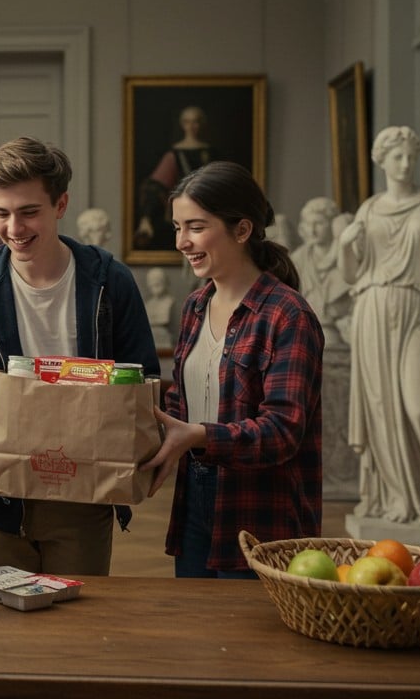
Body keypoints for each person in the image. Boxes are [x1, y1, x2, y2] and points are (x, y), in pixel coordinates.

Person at [0, 136, 159, 576]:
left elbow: (144, 378)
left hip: (85, 497)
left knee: (79, 614)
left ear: (61, 204)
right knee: (0, 617)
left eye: (29, 212)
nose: (13, 228)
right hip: (0, 501)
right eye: (1, 213)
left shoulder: (109, 281)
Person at [138, 161, 322, 578]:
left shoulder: (288, 315)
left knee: (248, 621)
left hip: (260, 508)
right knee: (197, 618)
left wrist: (199, 435)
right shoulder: (195, 306)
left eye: (196, 227)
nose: (182, 242)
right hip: (194, 496)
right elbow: (179, 401)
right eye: (177, 227)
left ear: (241, 230)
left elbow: (283, 431)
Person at [340, 126, 420, 525]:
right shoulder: (369, 210)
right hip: (373, 310)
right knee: (381, 409)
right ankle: (395, 496)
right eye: (398, 156)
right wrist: (344, 245)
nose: (406, 164)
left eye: (412, 156)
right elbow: (351, 274)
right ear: (382, 160)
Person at [135, 105, 211, 251]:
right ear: (182, 125)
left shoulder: (211, 153)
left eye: (195, 121)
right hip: (184, 212)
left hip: (208, 212)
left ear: (202, 124)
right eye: (187, 122)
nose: (191, 126)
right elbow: (154, 187)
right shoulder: (174, 155)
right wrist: (146, 218)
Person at [294, 197, 353, 346]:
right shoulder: (298, 259)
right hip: (306, 335)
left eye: (319, 223)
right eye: (309, 224)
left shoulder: (347, 257)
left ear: (333, 225)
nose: (312, 231)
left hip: (343, 336)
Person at [143, 266, 175, 349]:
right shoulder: (148, 304)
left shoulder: (169, 302)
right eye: (152, 281)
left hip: (165, 342)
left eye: (158, 281)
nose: (155, 283)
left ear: (164, 282)